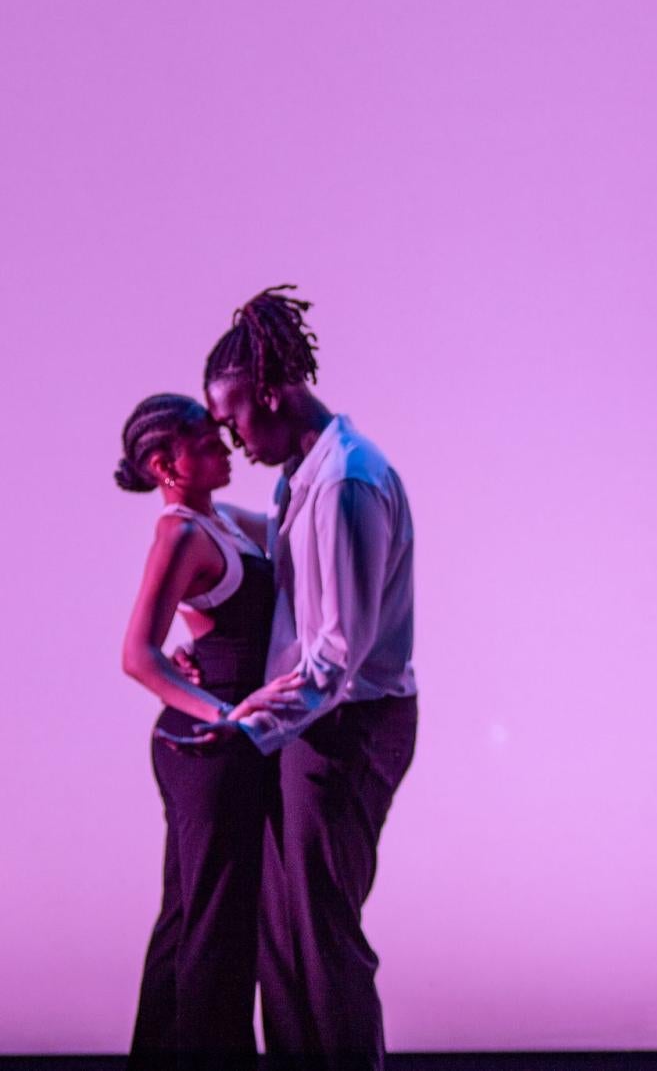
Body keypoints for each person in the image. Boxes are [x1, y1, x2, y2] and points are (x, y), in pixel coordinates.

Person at [166, 287, 418, 1071]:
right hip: (312, 727)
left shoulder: (346, 482)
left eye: (234, 416)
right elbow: (280, 566)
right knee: (283, 937)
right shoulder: (300, 476)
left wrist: (244, 726)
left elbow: (336, 658)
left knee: (320, 935)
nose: (233, 438)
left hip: (348, 730)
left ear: (272, 394)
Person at [119, 394, 304, 1070]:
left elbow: (293, 520)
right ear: (167, 464)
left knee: (190, 920)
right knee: (216, 930)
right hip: (207, 747)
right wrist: (224, 714)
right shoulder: (178, 533)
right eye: (207, 443)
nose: (225, 450)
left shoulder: (218, 519)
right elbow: (136, 654)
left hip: (216, 743)